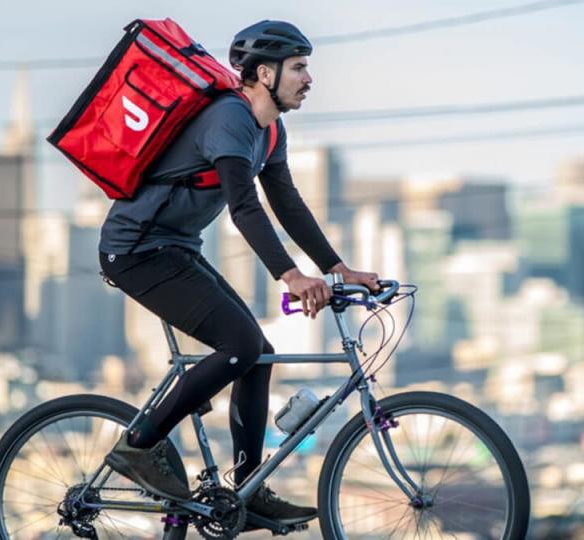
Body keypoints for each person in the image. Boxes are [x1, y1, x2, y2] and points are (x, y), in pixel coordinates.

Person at [98, 20, 379, 526]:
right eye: (298, 68)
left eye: (306, 67)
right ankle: (139, 446)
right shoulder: (229, 119)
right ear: (264, 73)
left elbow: (287, 204)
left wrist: (339, 269)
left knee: (258, 353)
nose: (308, 78)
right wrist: (292, 278)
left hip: (175, 248)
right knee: (241, 346)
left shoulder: (270, 130)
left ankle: (246, 489)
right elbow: (244, 208)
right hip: (136, 252)